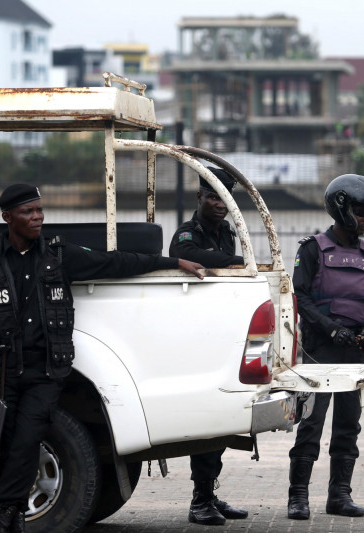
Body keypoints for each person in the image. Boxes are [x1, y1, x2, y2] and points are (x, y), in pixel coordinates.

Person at [0, 184, 203, 533]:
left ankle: (2, 513)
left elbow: (115, 261)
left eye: (39, 210)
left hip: (46, 372)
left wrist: (173, 261)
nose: (37, 217)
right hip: (3, 374)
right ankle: (14, 514)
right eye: (28, 212)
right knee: (4, 440)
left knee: (29, 437)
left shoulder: (59, 256)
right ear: (7, 218)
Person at [286, 174, 364, 520]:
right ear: (342, 209)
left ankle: (339, 496)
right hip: (320, 352)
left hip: (355, 352)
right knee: (312, 422)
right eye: (360, 211)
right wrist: (332, 330)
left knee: (349, 425)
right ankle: (298, 497)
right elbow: (299, 296)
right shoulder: (312, 249)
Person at [168, 167, 248, 526]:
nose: (219, 204)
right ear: (199, 197)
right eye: (212, 196)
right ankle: (199, 500)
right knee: (204, 422)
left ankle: (209, 496)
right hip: (194, 336)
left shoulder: (228, 231)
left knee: (220, 422)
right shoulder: (187, 232)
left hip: (221, 333)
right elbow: (190, 256)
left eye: (224, 198)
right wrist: (232, 262)